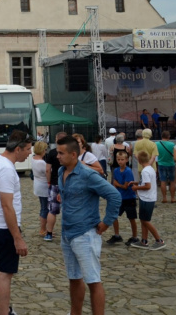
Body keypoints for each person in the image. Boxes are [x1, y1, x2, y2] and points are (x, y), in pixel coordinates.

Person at [57, 135, 121, 315]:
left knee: (93, 280)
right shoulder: (62, 172)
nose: (58, 156)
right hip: (67, 234)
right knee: (74, 278)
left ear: (73, 154)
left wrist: (107, 222)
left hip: (85, 234)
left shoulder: (88, 174)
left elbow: (114, 195)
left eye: (61, 153)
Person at [0, 130, 32, 315]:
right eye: (27, 149)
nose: (30, 153)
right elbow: (7, 205)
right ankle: (4, 312)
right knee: (5, 272)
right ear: (18, 149)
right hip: (3, 226)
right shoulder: (5, 168)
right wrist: (17, 237)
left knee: (4, 270)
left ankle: (5, 310)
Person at [130, 151, 165, 250]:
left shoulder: (145, 171)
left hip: (146, 198)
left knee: (145, 221)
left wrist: (136, 188)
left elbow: (147, 186)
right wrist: (136, 182)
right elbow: (146, 182)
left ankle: (159, 240)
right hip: (149, 197)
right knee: (143, 220)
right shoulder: (150, 169)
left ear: (139, 161)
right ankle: (144, 241)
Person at [106, 150, 139, 247]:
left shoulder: (128, 171)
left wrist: (117, 184)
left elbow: (125, 186)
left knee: (131, 218)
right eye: (118, 159)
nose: (120, 161)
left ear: (126, 160)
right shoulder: (116, 170)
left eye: (122, 159)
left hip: (129, 197)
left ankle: (134, 236)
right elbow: (114, 184)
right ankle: (117, 235)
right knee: (114, 216)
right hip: (119, 197)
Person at [43, 132, 67, 242]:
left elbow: (47, 169)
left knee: (52, 210)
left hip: (55, 183)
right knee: (69, 209)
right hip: (67, 183)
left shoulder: (52, 153)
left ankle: (49, 233)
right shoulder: (69, 153)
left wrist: (49, 182)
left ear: (56, 140)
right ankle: (66, 232)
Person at [31, 141, 49, 236]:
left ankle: (43, 228)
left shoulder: (33, 159)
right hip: (43, 186)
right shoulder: (41, 162)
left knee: (43, 207)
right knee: (45, 209)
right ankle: (43, 229)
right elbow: (47, 172)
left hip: (38, 184)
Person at [156, 131, 176, 203]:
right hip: (171, 164)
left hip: (161, 163)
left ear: (162, 136)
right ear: (168, 137)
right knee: (172, 181)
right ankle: (173, 198)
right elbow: (175, 157)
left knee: (163, 181)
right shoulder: (172, 144)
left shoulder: (157, 144)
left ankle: (164, 198)